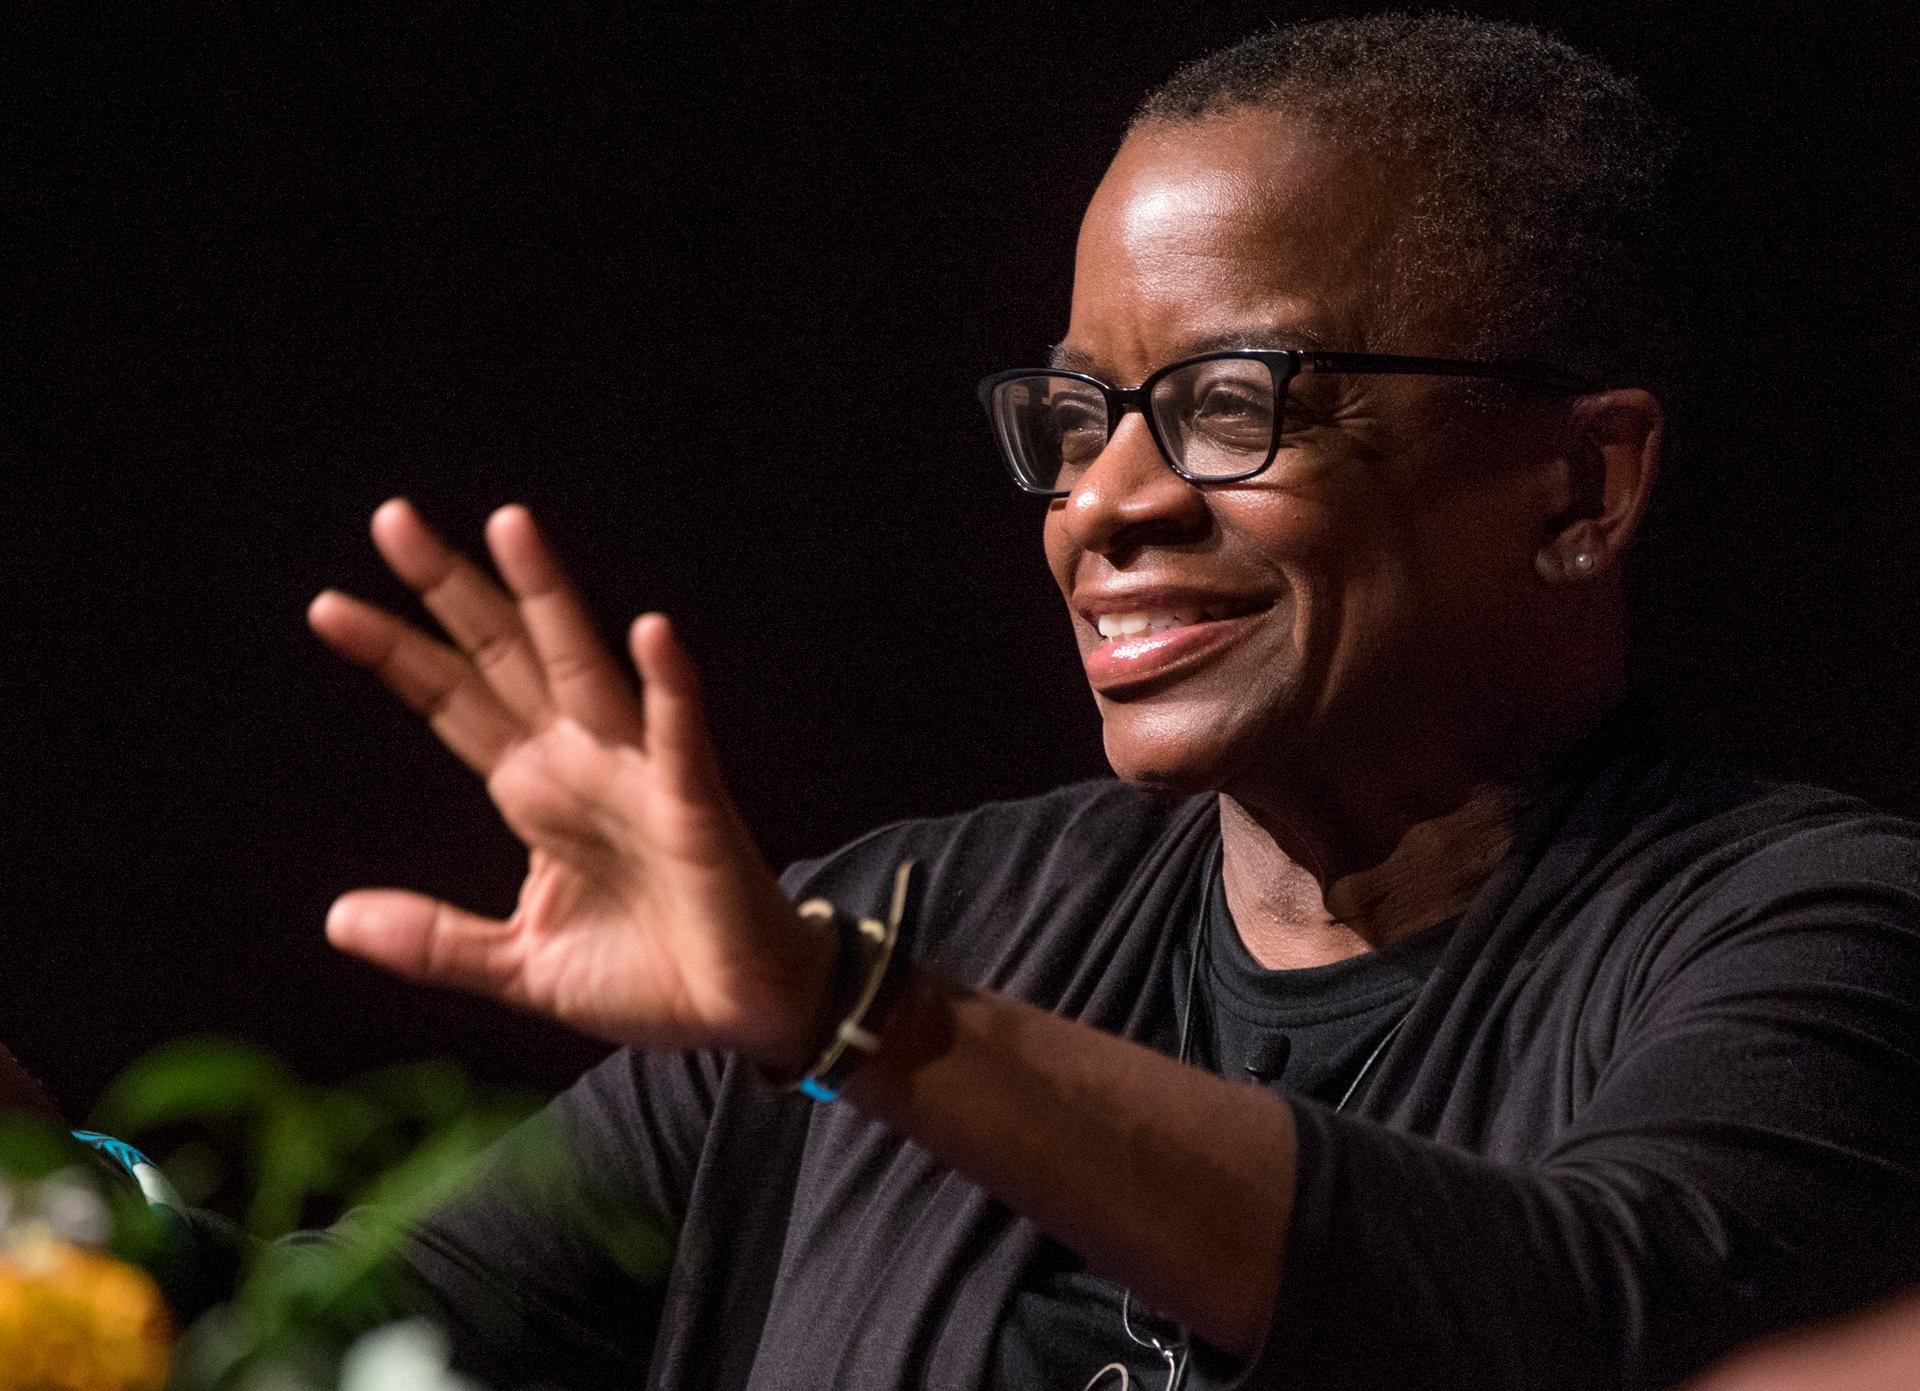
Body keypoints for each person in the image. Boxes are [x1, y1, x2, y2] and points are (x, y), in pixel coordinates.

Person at [288, 15, 1920, 1391]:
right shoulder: (911, 918)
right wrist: (50, 1221)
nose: (1101, 503)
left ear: (1580, 481)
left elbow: (1586, 1316)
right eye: (1076, 420)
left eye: (1229, 402)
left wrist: (867, 1024)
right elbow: (335, 1332)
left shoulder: (1822, 933)